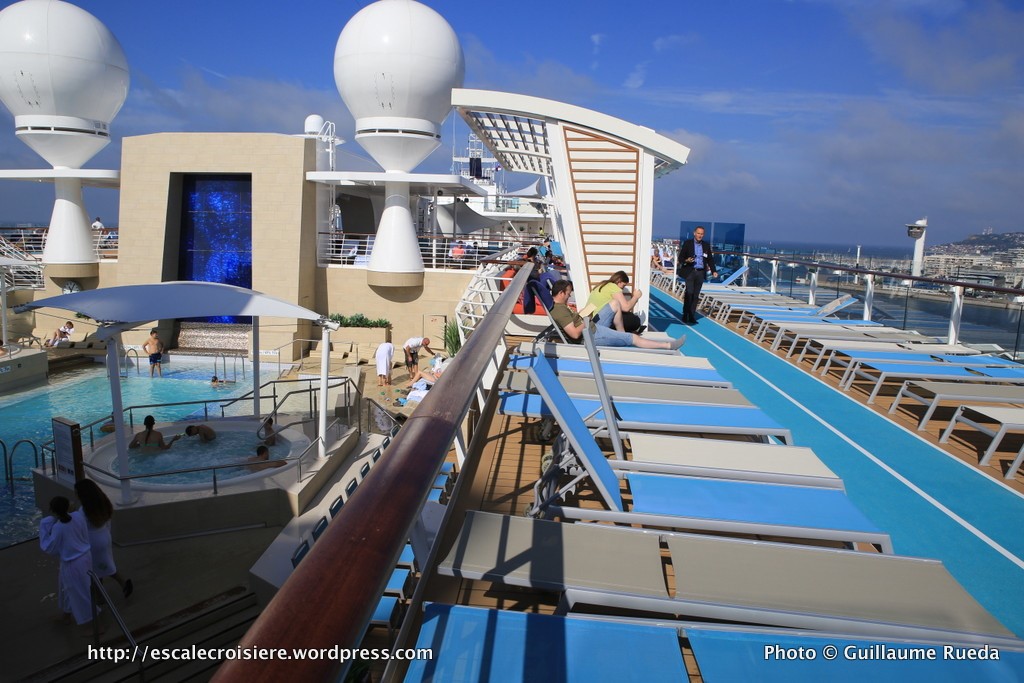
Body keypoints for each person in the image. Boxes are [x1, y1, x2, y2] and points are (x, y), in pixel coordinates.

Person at [549, 281, 686, 350]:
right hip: (591, 335)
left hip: (591, 327)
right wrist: (586, 319)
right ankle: (668, 345)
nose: (569, 296)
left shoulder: (560, 307)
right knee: (633, 337)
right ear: (561, 293)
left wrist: (583, 314)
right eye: (568, 293)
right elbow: (574, 334)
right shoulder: (559, 311)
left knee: (614, 303)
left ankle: (620, 334)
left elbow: (573, 323)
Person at [39, 496, 93, 627]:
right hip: (85, 557)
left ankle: (92, 624)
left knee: (80, 593)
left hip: (73, 563)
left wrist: (44, 525)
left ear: (53, 510)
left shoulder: (59, 527)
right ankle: (66, 615)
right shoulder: (77, 516)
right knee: (68, 589)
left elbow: (50, 547)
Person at [74, 479, 133, 598]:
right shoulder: (103, 503)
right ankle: (123, 583)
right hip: (104, 537)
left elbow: (79, 529)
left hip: (92, 542)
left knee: (94, 569)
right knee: (105, 564)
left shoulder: (83, 512)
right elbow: (108, 521)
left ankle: (100, 597)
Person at [677, 225, 717, 324]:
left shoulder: (706, 246)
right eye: (698, 233)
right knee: (689, 293)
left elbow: (710, 259)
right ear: (694, 233)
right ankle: (685, 313)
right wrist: (687, 260)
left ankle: (691, 315)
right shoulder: (687, 244)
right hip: (690, 271)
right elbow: (681, 258)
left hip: (700, 272)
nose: (700, 235)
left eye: (701, 234)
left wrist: (713, 271)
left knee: (695, 295)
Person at [520, 246, 554, 313]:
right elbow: (530, 274)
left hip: (537, 280)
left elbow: (544, 264)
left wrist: (547, 259)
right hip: (533, 282)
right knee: (547, 278)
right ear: (534, 255)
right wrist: (538, 272)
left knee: (547, 277)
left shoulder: (536, 261)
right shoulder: (524, 262)